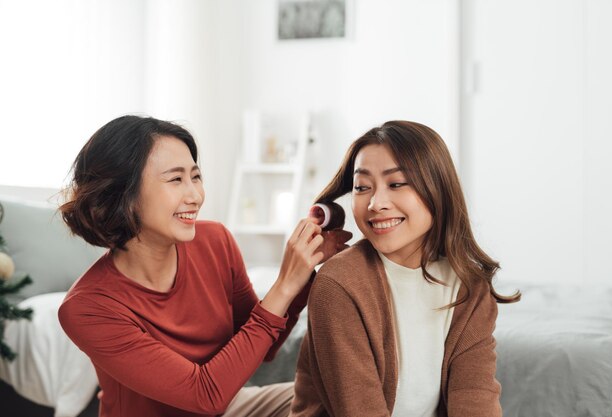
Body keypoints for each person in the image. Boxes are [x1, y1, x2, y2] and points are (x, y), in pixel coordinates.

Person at [57, 115, 351, 417]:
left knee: (334, 395)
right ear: (123, 196)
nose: (195, 196)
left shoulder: (215, 241)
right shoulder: (87, 308)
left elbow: (263, 346)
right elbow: (205, 394)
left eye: (195, 177)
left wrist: (305, 270)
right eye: (176, 179)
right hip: (207, 401)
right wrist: (284, 284)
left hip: (227, 407)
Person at [290, 121, 520, 417]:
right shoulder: (339, 283)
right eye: (362, 187)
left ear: (437, 188)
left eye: (396, 184)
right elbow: (359, 410)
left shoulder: (469, 286)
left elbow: (474, 395)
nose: (376, 203)